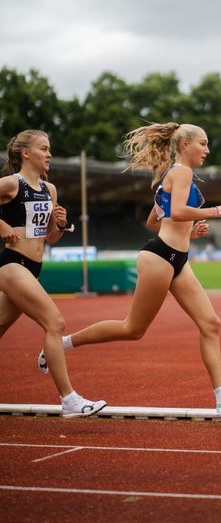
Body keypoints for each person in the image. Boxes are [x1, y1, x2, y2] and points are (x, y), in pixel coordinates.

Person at [38, 122, 221, 418]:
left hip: (176, 258)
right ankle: (62, 344)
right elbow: (177, 212)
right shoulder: (181, 172)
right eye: (203, 144)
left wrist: (190, 232)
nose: (207, 150)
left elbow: (155, 221)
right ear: (185, 145)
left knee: (211, 323)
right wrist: (216, 211)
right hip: (160, 257)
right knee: (133, 328)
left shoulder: (175, 175)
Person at [0, 129, 106, 417]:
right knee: (55, 323)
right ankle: (69, 399)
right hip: (11, 264)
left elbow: (50, 239)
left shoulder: (50, 190)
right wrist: (1, 225)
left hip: (33, 268)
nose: (49, 154)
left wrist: (57, 225)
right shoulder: (11, 184)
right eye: (44, 149)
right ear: (26, 153)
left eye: (49, 149)